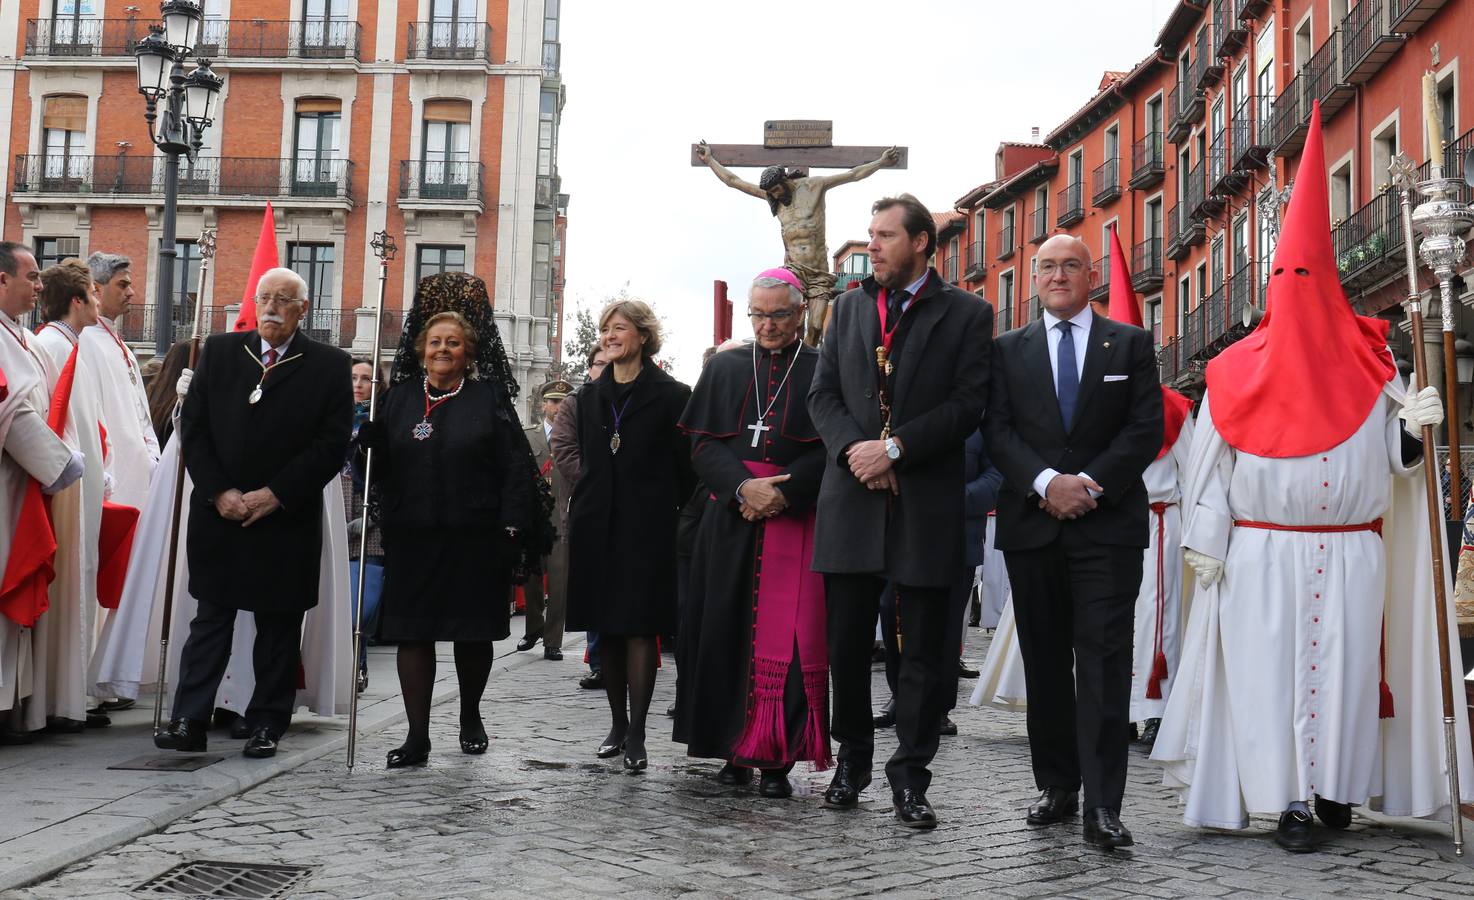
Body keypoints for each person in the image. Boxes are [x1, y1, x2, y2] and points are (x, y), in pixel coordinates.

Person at [1153, 102, 1474, 852]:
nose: (1296, 283)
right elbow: (1209, 467)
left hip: (1353, 550)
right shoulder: (1233, 372)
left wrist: (1415, 425)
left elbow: (1396, 466)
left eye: (1308, 272)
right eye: (1285, 274)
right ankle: (1287, 799)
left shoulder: (1373, 362)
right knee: (1270, 681)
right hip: (1262, 555)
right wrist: (1208, 542)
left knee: (1350, 676)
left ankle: (1335, 791)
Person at [807, 194, 992, 829]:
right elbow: (822, 394)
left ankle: (911, 776)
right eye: (870, 234)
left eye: (885, 235)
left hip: (924, 502)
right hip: (851, 500)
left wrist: (896, 450)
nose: (873, 245)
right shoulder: (850, 308)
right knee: (847, 648)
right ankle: (851, 760)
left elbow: (970, 403)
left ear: (920, 243)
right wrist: (855, 452)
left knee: (923, 656)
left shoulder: (968, 312)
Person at [984, 231, 1163, 850]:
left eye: (1070, 266)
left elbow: (1144, 431)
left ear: (1093, 275)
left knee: (1105, 664)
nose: (1058, 275)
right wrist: (1044, 484)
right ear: (1033, 279)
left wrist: (1084, 484)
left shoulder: (1132, 344)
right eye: (1046, 267)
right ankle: (1057, 786)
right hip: (1033, 529)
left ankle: (1104, 804)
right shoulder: (1006, 351)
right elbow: (996, 432)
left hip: (1106, 527)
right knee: (1046, 663)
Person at [154, 267, 352, 759]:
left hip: (284, 519)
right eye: (265, 297)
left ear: (302, 309)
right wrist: (219, 491)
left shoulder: (328, 365)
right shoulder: (221, 353)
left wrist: (275, 494)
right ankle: (188, 720)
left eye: (284, 300)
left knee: (277, 628)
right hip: (220, 516)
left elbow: (330, 445)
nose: (271, 308)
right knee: (211, 621)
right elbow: (193, 430)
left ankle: (267, 722)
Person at [360, 274, 540, 768]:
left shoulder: (487, 399)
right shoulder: (395, 400)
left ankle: (470, 715)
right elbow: (376, 472)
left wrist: (510, 530)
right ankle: (417, 735)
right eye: (435, 342)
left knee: (471, 635)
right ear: (421, 349)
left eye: (454, 343)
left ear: (469, 352)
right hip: (413, 536)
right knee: (414, 635)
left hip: (475, 539)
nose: (443, 349)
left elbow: (515, 471)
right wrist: (368, 445)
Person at [673, 269, 827, 798]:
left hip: (793, 515)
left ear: (800, 312)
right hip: (731, 519)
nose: (766, 326)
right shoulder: (727, 367)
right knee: (725, 629)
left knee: (785, 638)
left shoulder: (821, 368)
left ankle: (775, 760)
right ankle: (730, 749)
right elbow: (701, 446)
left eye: (777, 315)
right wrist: (743, 488)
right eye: (757, 315)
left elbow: (832, 445)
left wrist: (785, 492)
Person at [566, 299, 693, 771]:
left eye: (619, 328)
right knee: (609, 628)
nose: (609, 336)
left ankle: (638, 732)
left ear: (642, 335)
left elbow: (687, 469)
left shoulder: (672, 394)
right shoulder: (589, 397)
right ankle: (617, 723)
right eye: (604, 330)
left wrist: (662, 509)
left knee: (640, 627)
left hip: (647, 526)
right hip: (597, 526)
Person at [1099, 228, 1196, 748]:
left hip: (1161, 520)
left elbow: (1197, 470)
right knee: (1112, 613)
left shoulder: (1175, 408)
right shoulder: (1087, 397)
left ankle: (1156, 704)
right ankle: (1117, 703)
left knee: (1161, 617)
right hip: (1104, 517)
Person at [0, 242, 85, 738]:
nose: (39, 286)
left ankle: (12, 704)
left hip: (19, 484)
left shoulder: (19, 335)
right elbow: (11, 413)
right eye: (31, 277)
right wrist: (62, 465)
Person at [875, 430, 1001, 735]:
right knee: (893, 613)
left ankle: (939, 706)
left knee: (945, 625)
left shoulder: (979, 426)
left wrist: (956, 500)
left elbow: (996, 476)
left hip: (958, 534)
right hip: (904, 533)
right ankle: (900, 694)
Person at [32, 260, 113, 731]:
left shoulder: (74, 344)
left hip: (81, 486)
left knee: (81, 583)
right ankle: (57, 700)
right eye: (93, 294)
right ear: (77, 300)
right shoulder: (49, 344)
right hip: (64, 490)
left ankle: (73, 695)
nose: (99, 303)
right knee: (65, 588)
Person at [551, 345, 609, 690]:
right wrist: (595, 482)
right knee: (593, 584)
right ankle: (599, 660)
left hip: (630, 511)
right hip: (589, 505)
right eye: (599, 363)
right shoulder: (576, 402)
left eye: (610, 363)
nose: (604, 369)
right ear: (589, 368)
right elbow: (563, 448)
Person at [83, 253, 158, 510]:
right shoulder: (84, 343)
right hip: (112, 473)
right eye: (122, 285)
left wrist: (152, 454)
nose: (131, 292)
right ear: (97, 289)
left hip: (140, 467)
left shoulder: (123, 347)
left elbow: (140, 411)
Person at [517, 379, 573, 661]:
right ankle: (533, 628)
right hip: (534, 520)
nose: (558, 407)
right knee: (532, 579)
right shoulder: (528, 437)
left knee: (560, 583)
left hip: (562, 519)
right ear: (543, 405)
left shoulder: (576, 438)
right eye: (553, 402)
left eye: (563, 402)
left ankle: (553, 640)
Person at [343, 358, 387, 692]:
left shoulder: (383, 420)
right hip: (334, 522)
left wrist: (373, 516)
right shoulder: (332, 418)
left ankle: (357, 659)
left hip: (371, 531)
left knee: (361, 608)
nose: (359, 384)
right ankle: (349, 666)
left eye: (366, 379)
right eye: (354, 377)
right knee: (335, 608)